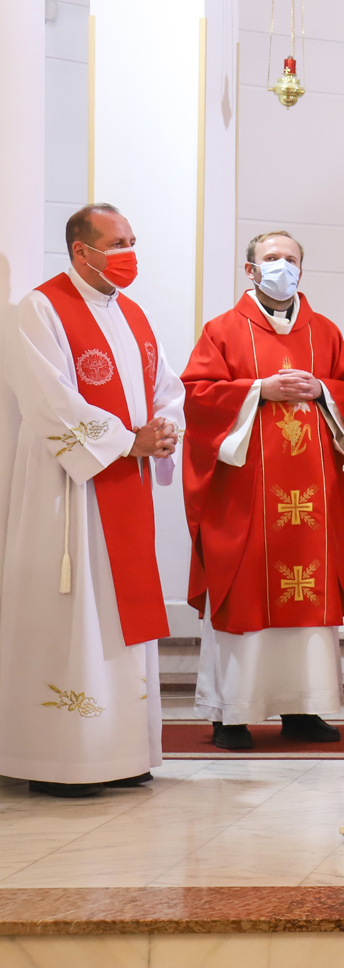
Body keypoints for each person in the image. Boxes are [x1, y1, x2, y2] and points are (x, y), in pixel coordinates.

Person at [0, 203, 183, 796]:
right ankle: (64, 760)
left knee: (118, 617)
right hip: (69, 489)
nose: (130, 253)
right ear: (82, 250)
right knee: (75, 613)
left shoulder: (132, 313)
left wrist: (164, 428)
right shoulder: (41, 308)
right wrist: (128, 441)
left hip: (124, 484)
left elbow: (166, 387)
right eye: (118, 243)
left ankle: (121, 752)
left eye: (132, 240)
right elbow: (46, 399)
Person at [182, 231, 344, 751]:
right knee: (244, 595)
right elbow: (197, 397)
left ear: (301, 270)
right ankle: (231, 715)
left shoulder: (324, 331)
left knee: (307, 598)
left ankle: (303, 708)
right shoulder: (223, 330)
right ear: (250, 270)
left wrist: (325, 389)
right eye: (271, 258)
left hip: (314, 500)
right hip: (246, 498)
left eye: (290, 259)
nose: (281, 267)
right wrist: (257, 390)